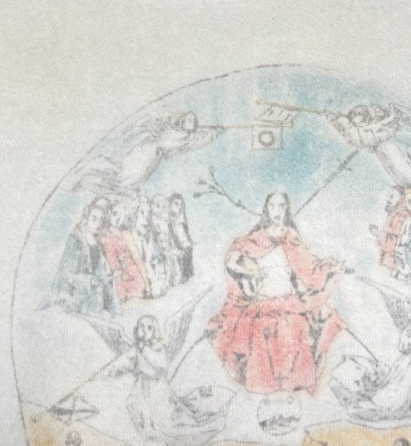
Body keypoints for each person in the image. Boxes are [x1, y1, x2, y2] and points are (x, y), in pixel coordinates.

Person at [207, 190, 344, 394]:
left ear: (287, 209)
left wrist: (330, 268)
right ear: (266, 210)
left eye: (281, 206)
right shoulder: (256, 239)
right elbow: (232, 260)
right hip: (263, 304)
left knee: (296, 327)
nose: (277, 211)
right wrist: (251, 271)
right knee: (262, 332)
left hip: (289, 303)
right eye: (272, 206)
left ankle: (294, 387)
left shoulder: (291, 237)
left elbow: (310, 267)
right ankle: (264, 386)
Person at [105, 316, 233, 446]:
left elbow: (161, 364)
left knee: (165, 418)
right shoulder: (138, 348)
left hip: (157, 386)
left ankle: (179, 432)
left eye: (149, 328)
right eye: (141, 326)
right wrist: (116, 368)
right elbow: (128, 360)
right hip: (142, 385)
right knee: (135, 404)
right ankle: (147, 435)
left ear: (154, 331)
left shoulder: (158, 348)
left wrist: (144, 350)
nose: (144, 330)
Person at [51, 199, 116, 315]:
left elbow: (101, 274)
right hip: (72, 294)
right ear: (87, 218)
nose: (98, 224)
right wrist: (88, 280)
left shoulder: (99, 246)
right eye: (94, 219)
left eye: (101, 220)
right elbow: (66, 275)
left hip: (93, 295)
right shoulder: (75, 240)